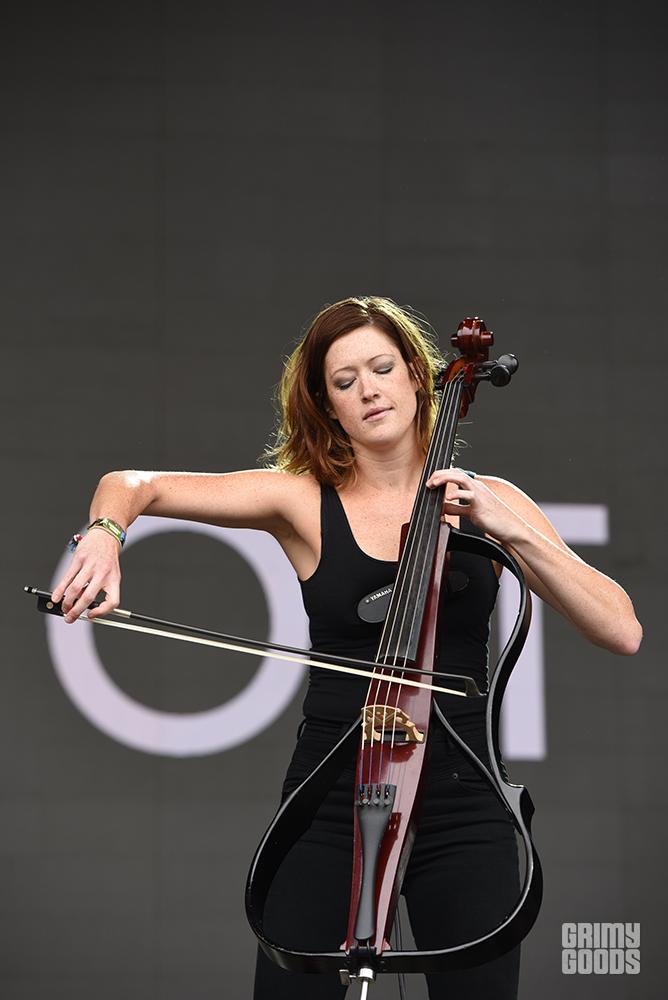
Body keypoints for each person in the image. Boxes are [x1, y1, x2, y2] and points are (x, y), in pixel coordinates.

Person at [51, 296, 642, 999]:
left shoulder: (491, 502)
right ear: (328, 406)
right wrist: (105, 536)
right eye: (344, 380)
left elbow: (621, 629)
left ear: (418, 377)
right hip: (334, 794)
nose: (368, 390)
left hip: (464, 794)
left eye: (382, 368)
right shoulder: (303, 501)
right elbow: (130, 486)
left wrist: (508, 528)